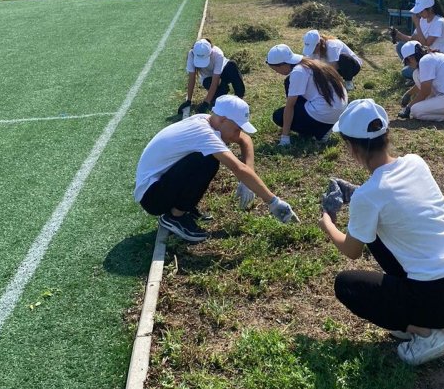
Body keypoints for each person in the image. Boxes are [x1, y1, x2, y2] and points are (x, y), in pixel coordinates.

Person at [318, 99, 444, 366]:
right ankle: (416, 317)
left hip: (441, 296)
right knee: (377, 233)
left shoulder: (369, 197)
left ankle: (425, 333)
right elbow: (393, 199)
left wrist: (327, 220)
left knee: (346, 285)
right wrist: (357, 192)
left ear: (350, 147)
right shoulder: (415, 163)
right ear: (387, 134)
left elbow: (351, 251)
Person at [135, 95, 299, 243]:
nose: (237, 135)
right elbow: (238, 168)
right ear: (222, 120)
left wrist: (248, 177)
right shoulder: (205, 134)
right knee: (207, 161)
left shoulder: (207, 120)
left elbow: (246, 140)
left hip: (159, 187)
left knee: (205, 159)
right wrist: (273, 201)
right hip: (152, 198)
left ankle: (183, 209)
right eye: (236, 129)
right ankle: (175, 217)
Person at [266, 43, 348, 145]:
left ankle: (320, 131)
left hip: (324, 113)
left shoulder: (298, 72)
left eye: (275, 69)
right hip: (338, 112)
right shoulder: (313, 62)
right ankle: (324, 127)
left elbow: (290, 106)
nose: (276, 72)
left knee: (278, 116)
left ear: (283, 64)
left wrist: (285, 137)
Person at [178, 38, 246, 118]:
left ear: (210, 53)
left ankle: (239, 99)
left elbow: (215, 80)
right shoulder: (191, 54)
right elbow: (192, 78)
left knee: (232, 66)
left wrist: (206, 103)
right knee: (217, 95)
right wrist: (188, 101)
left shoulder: (218, 54)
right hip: (208, 78)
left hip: (223, 72)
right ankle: (223, 89)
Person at [391, 0, 444, 79]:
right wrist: (398, 34)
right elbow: (413, 40)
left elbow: (426, 44)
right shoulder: (423, 20)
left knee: (405, 72)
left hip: (439, 58)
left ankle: (421, 75)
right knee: (401, 46)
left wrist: (417, 24)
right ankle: (419, 73)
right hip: (427, 54)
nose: (419, 14)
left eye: (421, 11)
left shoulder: (439, 22)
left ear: (430, 9)